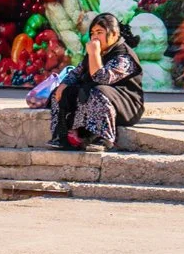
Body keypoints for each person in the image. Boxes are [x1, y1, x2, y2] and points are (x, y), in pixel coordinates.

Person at [48, 12, 146, 152]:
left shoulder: (124, 56)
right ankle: (61, 136)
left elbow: (102, 79)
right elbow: (77, 72)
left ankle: (103, 138)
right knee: (61, 92)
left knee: (97, 91)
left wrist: (94, 54)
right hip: (98, 98)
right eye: (92, 32)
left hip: (126, 105)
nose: (94, 37)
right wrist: (64, 85)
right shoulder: (95, 52)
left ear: (114, 34)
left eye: (99, 32)